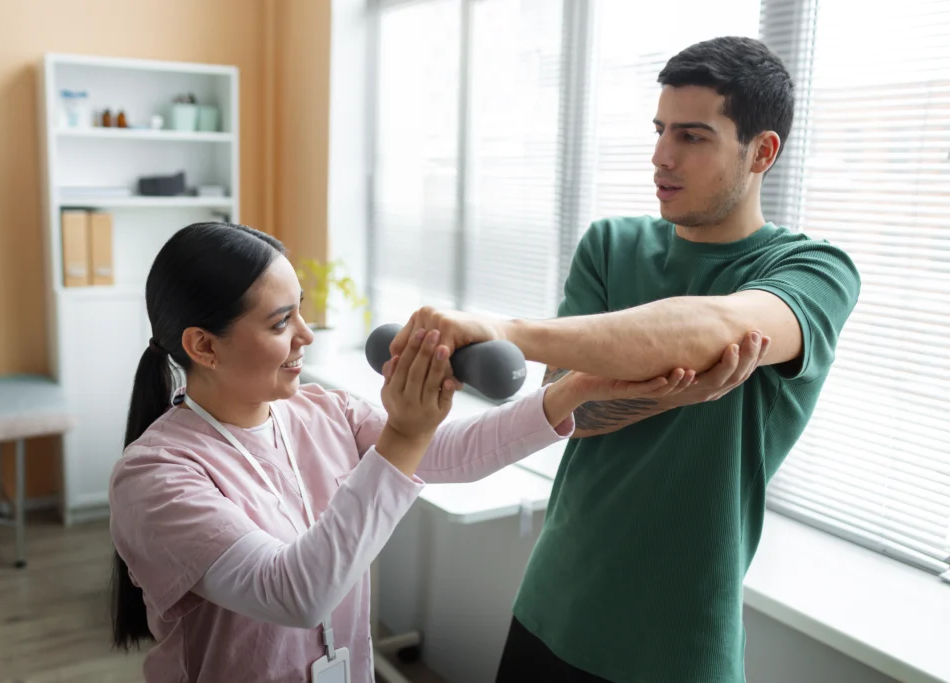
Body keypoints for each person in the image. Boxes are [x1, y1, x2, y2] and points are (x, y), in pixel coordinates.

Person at [389, 36, 861, 683]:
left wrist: (506, 329)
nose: (661, 156)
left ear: (763, 151)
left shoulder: (812, 270)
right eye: (661, 129)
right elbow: (569, 411)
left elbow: (714, 326)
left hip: (678, 649)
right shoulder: (612, 244)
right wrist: (665, 395)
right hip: (552, 604)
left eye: (692, 136)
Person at [106, 221, 700, 683]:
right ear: (203, 347)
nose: (307, 336)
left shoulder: (322, 410)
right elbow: (294, 593)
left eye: (302, 311)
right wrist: (406, 433)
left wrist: (581, 385)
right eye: (281, 322)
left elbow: (448, 453)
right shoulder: (154, 477)